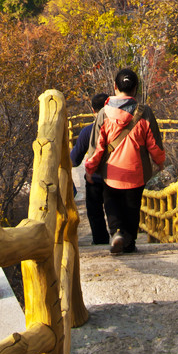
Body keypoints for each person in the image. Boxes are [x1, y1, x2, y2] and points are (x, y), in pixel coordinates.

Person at [84, 67, 165, 255]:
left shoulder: (104, 114)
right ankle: (129, 243)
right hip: (137, 171)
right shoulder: (145, 113)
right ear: (136, 88)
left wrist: (90, 169)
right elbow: (154, 144)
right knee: (132, 207)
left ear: (114, 86)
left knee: (110, 201)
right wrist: (159, 161)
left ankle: (116, 232)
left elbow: (97, 147)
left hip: (111, 172)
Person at [70, 92, 109, 244]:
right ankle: (123, 237)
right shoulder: (124, 128)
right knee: (117, 208)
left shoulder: (88, 131)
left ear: (93, 110)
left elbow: (74, 161)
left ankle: (100, 240)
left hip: (96, 178)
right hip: (120, 177)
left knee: (94, 210)